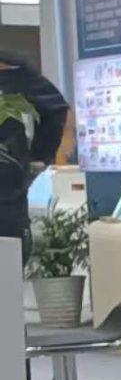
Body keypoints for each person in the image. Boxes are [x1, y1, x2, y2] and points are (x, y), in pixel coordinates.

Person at [0, 50, 70, 247]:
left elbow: (60, 112)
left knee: (9, 255)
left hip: (9, 201)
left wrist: (43, 159)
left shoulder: (19, 78)